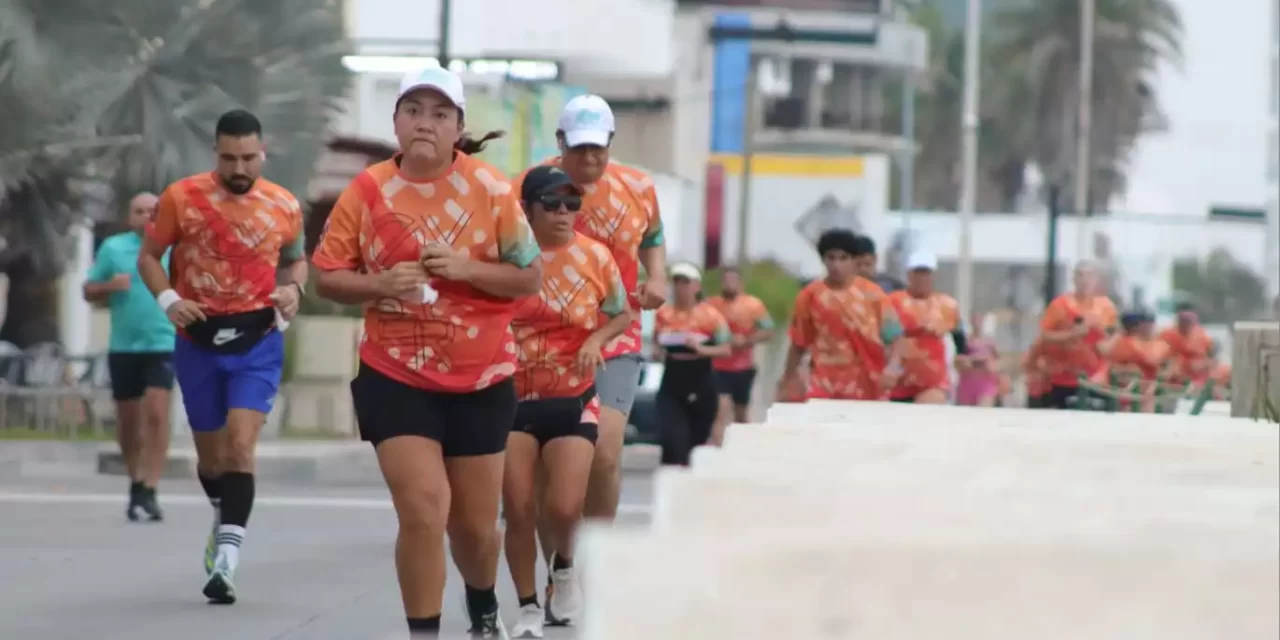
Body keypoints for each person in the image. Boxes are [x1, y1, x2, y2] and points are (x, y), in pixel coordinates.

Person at [311, 64, 541, 638]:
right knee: (422, 510)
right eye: (414, 110)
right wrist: (379, 284)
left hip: (481, 377)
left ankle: (484, 603)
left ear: (458, 127)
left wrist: (465, 269)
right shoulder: (366, 192)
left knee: (474, 527)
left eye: (440, 114)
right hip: (396, 374)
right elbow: (326, 276)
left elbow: (530, 278)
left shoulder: (490, 189)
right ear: (396, 121)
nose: (425, 124)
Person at [139, 110, 306, 604]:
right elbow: (149, 256)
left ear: (263, 154)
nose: (240, 167)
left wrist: (294, 289)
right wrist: (170, 300)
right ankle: (222, 510)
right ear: (216, 153)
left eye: (249, 158)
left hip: (258, 340)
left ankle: (227, 563)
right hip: (197, 339)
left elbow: (297, 257)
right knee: (211, 459)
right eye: (230, 157)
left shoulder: (284, 204)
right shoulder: (181, 198)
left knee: (240, 445)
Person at [513, 94, 665, 602]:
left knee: (604, 451)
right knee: (542, 472)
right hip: (541, 342)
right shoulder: (533, 186)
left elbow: (654, 237)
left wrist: (658, 277)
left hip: (614, 332)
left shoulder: (638, 187)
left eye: (599, 149)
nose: (591, 160)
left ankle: (595, 559)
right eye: (580, 150)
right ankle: (560, 568)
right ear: (560, 144)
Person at [503, 165, 632, 637]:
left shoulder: (596, 257)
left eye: (572, 205)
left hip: (573, 396)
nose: (563, 213)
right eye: (552, 204)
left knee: (562, 506)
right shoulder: (507, 257)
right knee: (518, 508)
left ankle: (563, 567)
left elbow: (621, 313)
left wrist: (597, 339)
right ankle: (528, 608)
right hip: (512, 399)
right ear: (528, 209)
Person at [83, 192, 176, 521]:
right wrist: (110, 286)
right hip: (124, 346)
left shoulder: (173, 248)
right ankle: (136, 482)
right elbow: (88, 290)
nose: (146, 216)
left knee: (156, 411)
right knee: (128, 420)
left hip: (164, 342)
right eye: (139, 211)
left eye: (153, 211)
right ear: (129, 216)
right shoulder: (113, 248)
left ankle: (151, 485)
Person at [778, 229, 903, 401]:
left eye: (843, 258)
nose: (836, 265)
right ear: (823, 260)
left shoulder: (874, 295)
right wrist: (787, 379)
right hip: (824, 383)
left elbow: (894, 338)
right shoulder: (810, 296)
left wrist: (893, 367)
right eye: (831, 258)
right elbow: (799, 343)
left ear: (854, 261)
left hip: (867, 384)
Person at [652, 263, 731, 465]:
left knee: (695, 441)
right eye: (677, 281)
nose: (680, 286)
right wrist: (656, 351)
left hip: (700, 378)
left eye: (685, 282)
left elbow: (725, 348)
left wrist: (701, 349)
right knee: (672, 439)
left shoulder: (711, 315)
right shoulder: (664, 314)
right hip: (672, 376)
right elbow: (656, 342)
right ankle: (669, 479)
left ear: (696, 286)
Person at [1035, 261, 1118, 409]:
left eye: (1089, 275)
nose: (1085, 280)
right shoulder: (1060, 305)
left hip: (1096, 378)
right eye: (1080, 275)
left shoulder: (1106, 307)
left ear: (1096, 279)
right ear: (1073, 279)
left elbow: (1114, 333)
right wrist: (1072, 334)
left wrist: (1106, 344)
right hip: (1064, 377)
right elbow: (1044, 335)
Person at [884, 251, 965, 404]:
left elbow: (959, 334)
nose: (922, 278)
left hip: (932, 380)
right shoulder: (894, 301)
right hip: (899, 377)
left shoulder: (947, 304)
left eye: (926, 273)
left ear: (933, 275)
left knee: (926, 419)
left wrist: (962, 354)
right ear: (909, 275)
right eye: (918, 273)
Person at [706, 266, 774, 440]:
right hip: (718, 367)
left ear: (740, 283)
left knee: (741, 413)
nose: (729, 284)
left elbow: (768, 331)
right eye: (726, 280)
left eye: (733, 280)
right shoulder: (712, 304)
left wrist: (747, 340)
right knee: (720, 410)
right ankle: (717, 450)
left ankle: (743, 447)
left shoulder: (753, 305)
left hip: (743, 368)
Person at [1093, 310, 1169, 412]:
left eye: (1150, 324)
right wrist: (1128, 370)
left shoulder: (1160, 344)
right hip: (1124, 394)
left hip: (1148, 394)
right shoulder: (1124, 342)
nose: (1147, 327)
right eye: (1143, 324)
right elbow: (1112, 365)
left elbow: (1159, 364)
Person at [1158, 303, 1215, 393]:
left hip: (1197, 382)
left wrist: (1203, 364)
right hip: (1172, 383)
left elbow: (1212, 360)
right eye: (1183, 320)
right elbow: (1159, 360)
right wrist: (1169, 368)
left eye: (1189, 320)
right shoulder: (1166, 335)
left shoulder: (1203, 336)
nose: (1186, 323)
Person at [955, 312, 1002, 407]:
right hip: (968, 383)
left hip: (985, 383)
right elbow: (958, 361)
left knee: (984, 413)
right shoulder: (965, 341)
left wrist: (987, 364)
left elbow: (997, 362)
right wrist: (971, 361)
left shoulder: (990, 343)